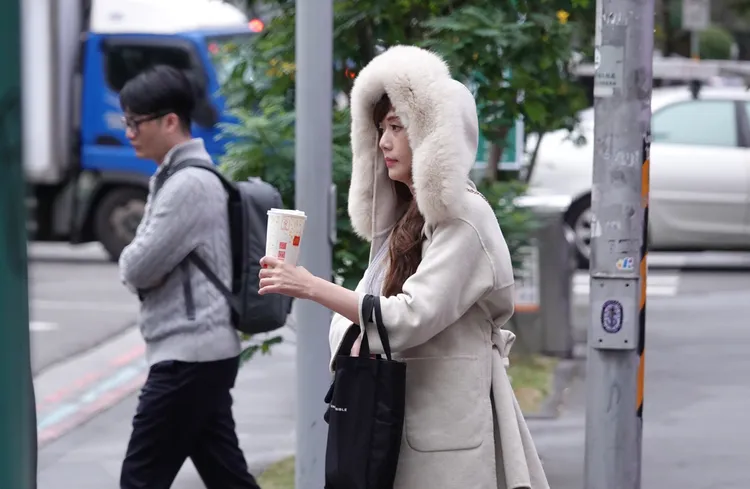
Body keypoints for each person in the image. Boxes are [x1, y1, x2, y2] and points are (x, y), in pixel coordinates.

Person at [258, 45, 550, 489]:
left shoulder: (464, 217)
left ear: (434, 134)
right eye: (381, 128)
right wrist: (352, 317)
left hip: (448, 434)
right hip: (399, 424)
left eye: (397, 126)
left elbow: (407, 318)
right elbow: (355, 320)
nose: (384, 142)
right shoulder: (404, 222)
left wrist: (310, 286)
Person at [117, 64, 260, 489]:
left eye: (136, 122)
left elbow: (136, 267)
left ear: (170, 121)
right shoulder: (175, 177)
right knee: (227, 477)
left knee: (139, 479)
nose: (129, 132)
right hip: (198, 354)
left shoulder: (189, 185)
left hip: (189, 357)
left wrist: (141, 268)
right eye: (127, 121)